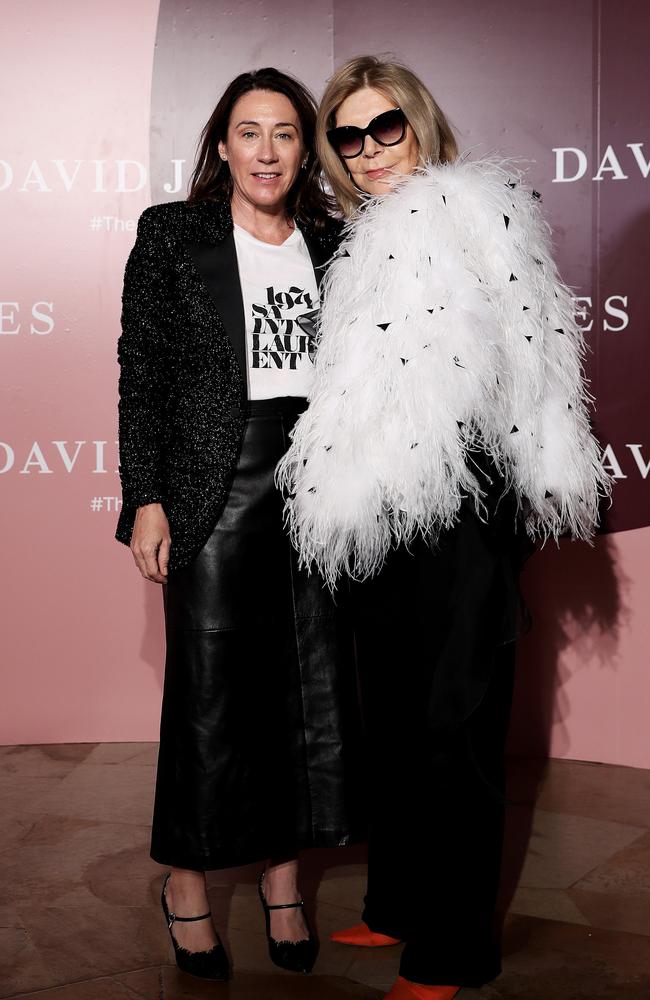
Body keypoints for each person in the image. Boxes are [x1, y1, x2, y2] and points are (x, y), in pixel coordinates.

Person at [277, 56, 611, 1000]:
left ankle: (455, 949)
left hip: (463, 508)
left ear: (420, 125)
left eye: (389, 129)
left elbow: (532, 361)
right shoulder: (355, 238)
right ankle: (396, 907)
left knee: (453, 729)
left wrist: (507, 500)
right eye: (349, 136)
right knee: (393, 720)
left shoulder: (472, 211)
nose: (371, 151)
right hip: (383, 511)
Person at [115, 67, 364, 982]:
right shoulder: (172, 235)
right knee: (212, 694)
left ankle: (284, 877)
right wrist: (146, 496)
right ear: (222, 143)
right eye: (249, 132)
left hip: (319, 483)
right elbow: (140, 376)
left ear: (306, 151)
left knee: (310, 689)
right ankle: (186, 883)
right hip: (211, 486)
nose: (267, 151)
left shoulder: (338, 242)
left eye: (287, 134)